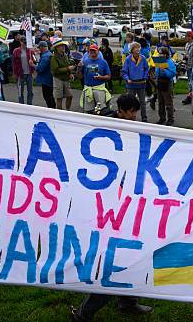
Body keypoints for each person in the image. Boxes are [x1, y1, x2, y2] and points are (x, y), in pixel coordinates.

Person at [71, 94, 153, 322]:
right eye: (130, 112)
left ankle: (127, 301)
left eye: (135, 112)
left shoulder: (131, 127)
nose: (134, 116)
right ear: (120, 110)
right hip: (108, 207)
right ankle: (83, 315)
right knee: (111, 264)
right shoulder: (106, 127)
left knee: (134, 255)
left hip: (128, 201)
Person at [121, 42, 150, 122]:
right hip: (131, 84)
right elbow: (124, 72)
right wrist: (127, 79)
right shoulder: (128, 59)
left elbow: (146, 68)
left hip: (141, 83)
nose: (137, 49)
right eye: (135, 48)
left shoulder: (143, 58)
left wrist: (145, 77)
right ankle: (131, 116)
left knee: (142, 102)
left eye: (138, 47)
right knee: (131, 102)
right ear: (132, 50)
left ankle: (144, 117)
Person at [80, 44, 111, 111]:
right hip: (88, 89)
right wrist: (78, 68)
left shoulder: (103, 62)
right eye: (91, 50)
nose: (92, 52)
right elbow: (80, 76)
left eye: (94, 50)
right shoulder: (85, 62)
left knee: (100, 111)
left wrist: (101, 77)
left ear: (98, 51)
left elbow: (109, 76)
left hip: (99, 89)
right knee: (88, 111)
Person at [50, 40, 75, 111]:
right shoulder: (53, 57)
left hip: (66, 79)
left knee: (70, 96)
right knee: (59, 98)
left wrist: (70, 73)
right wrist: (67, 69)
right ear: (57, 48)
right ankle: (60, 114)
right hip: (58, 79)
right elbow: (55, 70)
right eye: (61, 46)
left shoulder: (65, 55)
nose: (63, 47)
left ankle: (67, 111)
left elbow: (67, 65)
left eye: (64, 45)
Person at [155, 47, 176, 125]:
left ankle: (170, 119)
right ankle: (162, 118)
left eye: (162, 54)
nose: (160, 55)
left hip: (167, 82)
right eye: (159, 53)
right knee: (160, 102)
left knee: (168, 102)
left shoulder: (170, 62)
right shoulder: (159, 60)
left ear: (166, 54)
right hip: (159, 81)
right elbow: (157, 71)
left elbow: (173, 72)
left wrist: (165, 72)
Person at [12, 35, 35, 105]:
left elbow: (35, 60)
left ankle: (29, 104)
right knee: (20, 91)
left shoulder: (30, 51)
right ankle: (21, 105)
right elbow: (14, 63)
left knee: (30, 91)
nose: (24, 42)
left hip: (29, 73)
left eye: (25, 41)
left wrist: (33, 60)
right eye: (22, 41)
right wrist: (14, 73)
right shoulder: (16, 51)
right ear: (20, 42)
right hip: (20, 74)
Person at [35, 41, 56, 108]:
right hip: (50, 79)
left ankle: (51, 110)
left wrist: (33, 65)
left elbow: (40, 68)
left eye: (39, 48)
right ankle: (53, 108)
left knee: (47, 96)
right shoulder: (49, 54)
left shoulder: (45, 56)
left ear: (42, 47)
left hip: (46, 80)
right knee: (50, 95)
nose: (39, 49)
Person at [181, 31, 193, 105]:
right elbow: (187, 53)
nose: (185, 38)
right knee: (190, 81)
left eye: (186, 36)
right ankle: (192, 96)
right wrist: (185, 56)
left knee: (192, 82)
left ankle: (190, 97)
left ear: (190, 37)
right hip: (188, 65)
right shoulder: (187, 44)